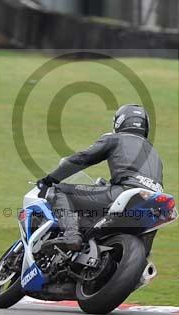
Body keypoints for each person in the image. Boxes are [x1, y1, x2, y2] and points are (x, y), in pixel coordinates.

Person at [36, 104, 164, 251]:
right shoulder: (155, 153)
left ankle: (71, 235)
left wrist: (49, 180)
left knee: (60, 191)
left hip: (125, 192)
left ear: (119, 122)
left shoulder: (115, 139)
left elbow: (82, 159)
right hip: (153, 204)